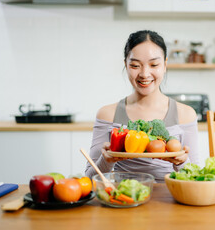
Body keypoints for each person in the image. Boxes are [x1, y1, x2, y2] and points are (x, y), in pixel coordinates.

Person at [85, 30, 201, 182]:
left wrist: (181, 162)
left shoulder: (185, 114)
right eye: (135, 65)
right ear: (125, 65)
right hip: (126, 197)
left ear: (165, 65)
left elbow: (196, 177)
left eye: (154, 64)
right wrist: (106, 160)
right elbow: (89, 178)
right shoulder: (107, 114)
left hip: (170, 199)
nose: (145, 74)